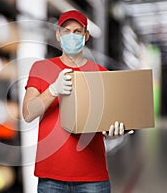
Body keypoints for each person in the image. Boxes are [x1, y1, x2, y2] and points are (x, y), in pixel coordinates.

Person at [22, 10, 133, 192]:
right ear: (58, 35)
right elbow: (27, 113)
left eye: (77, 31)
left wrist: (114, 132)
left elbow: (107, 124)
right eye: (66, 31)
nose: (71, 36)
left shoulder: (101, 74)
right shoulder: (41, 68)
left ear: (86, 36)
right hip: (51, 177)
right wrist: (53, 90)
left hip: (93, 177)